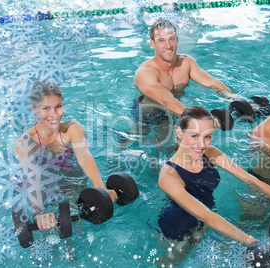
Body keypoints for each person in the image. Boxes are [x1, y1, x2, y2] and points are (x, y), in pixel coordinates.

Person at [157, 105, 270, 266]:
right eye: (194, 136)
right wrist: (258, 244)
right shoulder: (168, 176)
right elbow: (205, 215)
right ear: (179, 133)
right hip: (176, 231)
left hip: (208, 219)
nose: (202, 144)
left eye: (208, 137)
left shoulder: (210, 154)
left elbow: (251, 180)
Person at [14, 81, 118, 231]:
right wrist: (38, 213)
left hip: (72, 179)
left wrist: (101, 189)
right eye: (46, 108)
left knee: (80, 225)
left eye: (58, 106)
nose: (54, 114)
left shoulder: (72, 129)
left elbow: (85, 157)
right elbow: (32, 179)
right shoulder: (25, 143)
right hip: (45, 185)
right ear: (34, 109)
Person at [133, 18, 243, 122]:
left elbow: (212, 82)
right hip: (147, 116)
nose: (168, 45)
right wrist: (200, 120)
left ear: (177, 40)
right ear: (153, 43)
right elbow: (166, 100)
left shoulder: (186, 63)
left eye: (171, 39)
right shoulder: (146, 73)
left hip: (179, 110)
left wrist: (239, 99)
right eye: (161, 40)